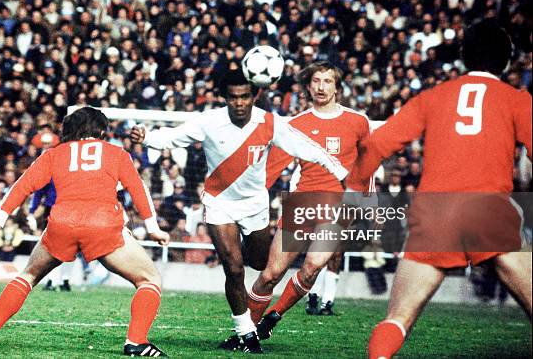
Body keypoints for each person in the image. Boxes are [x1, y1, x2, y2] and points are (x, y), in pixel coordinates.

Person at [346, 20, 532, 359]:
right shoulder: (517, 100)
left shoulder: (433, 97)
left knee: (397, 319)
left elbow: (377, 143)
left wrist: (356, 185)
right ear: (507, 61)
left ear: (463, 56)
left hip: (435, 215)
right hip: (489, 211)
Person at [130, 69, 348, 353]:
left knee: (258, 263)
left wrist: (339, 170)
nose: (239, 103)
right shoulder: (210, 121)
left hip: (255, 205)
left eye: (244, 96)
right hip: (219, 202)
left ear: (254, 96)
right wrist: (147, 137)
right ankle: (246, 331)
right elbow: (175, 136)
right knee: (233, 268)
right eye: (233, 97)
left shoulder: (269, 123)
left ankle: (240, 274)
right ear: (225, 98)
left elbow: (305, 147)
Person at [0, 107, 170, 357]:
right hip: (102, 223)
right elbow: (138, 189)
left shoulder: (54, 153)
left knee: (28, 276)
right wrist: (153, 228)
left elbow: (23, 185)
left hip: (62, 223)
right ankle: (136, 341)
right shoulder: (116, 153)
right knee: (149, 279)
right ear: (101, 130)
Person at [246, 62, 372, 338]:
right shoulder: (294, 125)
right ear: (308, 86)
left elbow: (368, 165)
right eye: (316, 80)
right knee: (270, 274)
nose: (321, 87)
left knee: (313, 265)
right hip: (302, 204)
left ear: (337, 87)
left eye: (328, 81)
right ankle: (245, 330)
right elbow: (270, 171)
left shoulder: (358, 122)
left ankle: (272, 317)